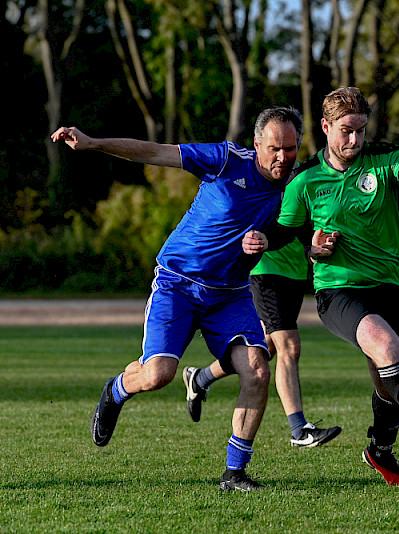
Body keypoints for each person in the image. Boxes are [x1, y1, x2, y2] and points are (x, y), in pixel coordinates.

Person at [50, 106, 305, 491]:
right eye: (274, 148)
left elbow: (295, 224)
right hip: (178, 284)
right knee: (158, 375)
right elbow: (152, 152)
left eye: (290, 149)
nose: (282, 158)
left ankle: (234, 473)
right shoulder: (224, 160)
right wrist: (93, 144)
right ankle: (115, 390)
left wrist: (280, 241)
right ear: (256, 144)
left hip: (230, 295)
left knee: (257, 370)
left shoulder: (295, 184)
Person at [242, 87, 399, 487]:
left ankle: (379, 449)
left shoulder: (385, 159)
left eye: (361, 131)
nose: (354, 140)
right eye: (346, 131)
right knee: (387, 348)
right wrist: (268, 240)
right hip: (338, 290)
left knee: (387, 375)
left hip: (394, 288)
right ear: (325, 127)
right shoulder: (307, 180)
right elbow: (285, 230)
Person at [182, 234, 342, 448]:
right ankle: (299, 430)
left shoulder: (304, 198)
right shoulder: (264, 198)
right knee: (289, 346)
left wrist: (313, 249)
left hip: (294, 271)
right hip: (266, 272)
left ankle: (201, 378)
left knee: (264, 347)